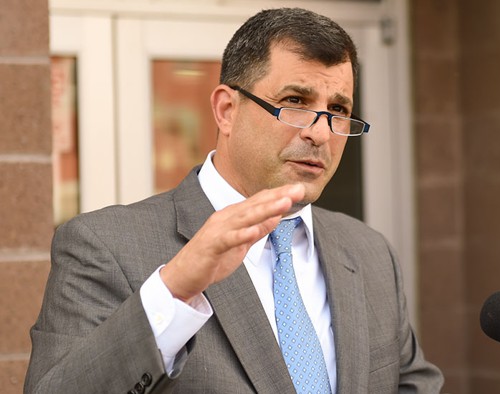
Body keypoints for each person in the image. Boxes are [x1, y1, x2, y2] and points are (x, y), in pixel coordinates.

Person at [25, 8, 443, 393]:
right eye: (295, 102)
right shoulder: (105, 245)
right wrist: (174, 290)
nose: (321, 132)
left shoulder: (369, 252)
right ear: (226, 110)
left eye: (337, 109)